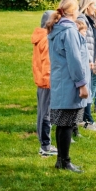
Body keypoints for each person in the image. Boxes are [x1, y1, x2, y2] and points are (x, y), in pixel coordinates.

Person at [46, 0, 90, 173]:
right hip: (69, 82)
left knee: (62, 123)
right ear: (73, 11)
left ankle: (60, 160)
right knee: (66, 123)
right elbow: (74, 60)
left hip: (60, 81)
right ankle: (65, 161)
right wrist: (82, 84)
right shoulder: (69, 31)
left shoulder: (56, 29)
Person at [32, 10, 57, 157]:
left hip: (41, 81)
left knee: (42, 113)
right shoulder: (47, 40)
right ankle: (45, 146)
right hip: (47, 82)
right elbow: (48, 64)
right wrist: (51, 82)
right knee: (47, 114)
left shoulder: (40, 37)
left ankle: (44, 143)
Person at [77, 0, 96, 132]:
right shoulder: (82, 19)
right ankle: (86, 118)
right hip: (86, 59)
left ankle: (84, 114)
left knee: (95, 81)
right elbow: (83, 42)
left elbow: (93, 39)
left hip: (93, 55)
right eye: (93, 4)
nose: (95, 7)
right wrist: (88, 60)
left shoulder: (92, 19)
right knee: (87, 86)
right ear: (87, 5)